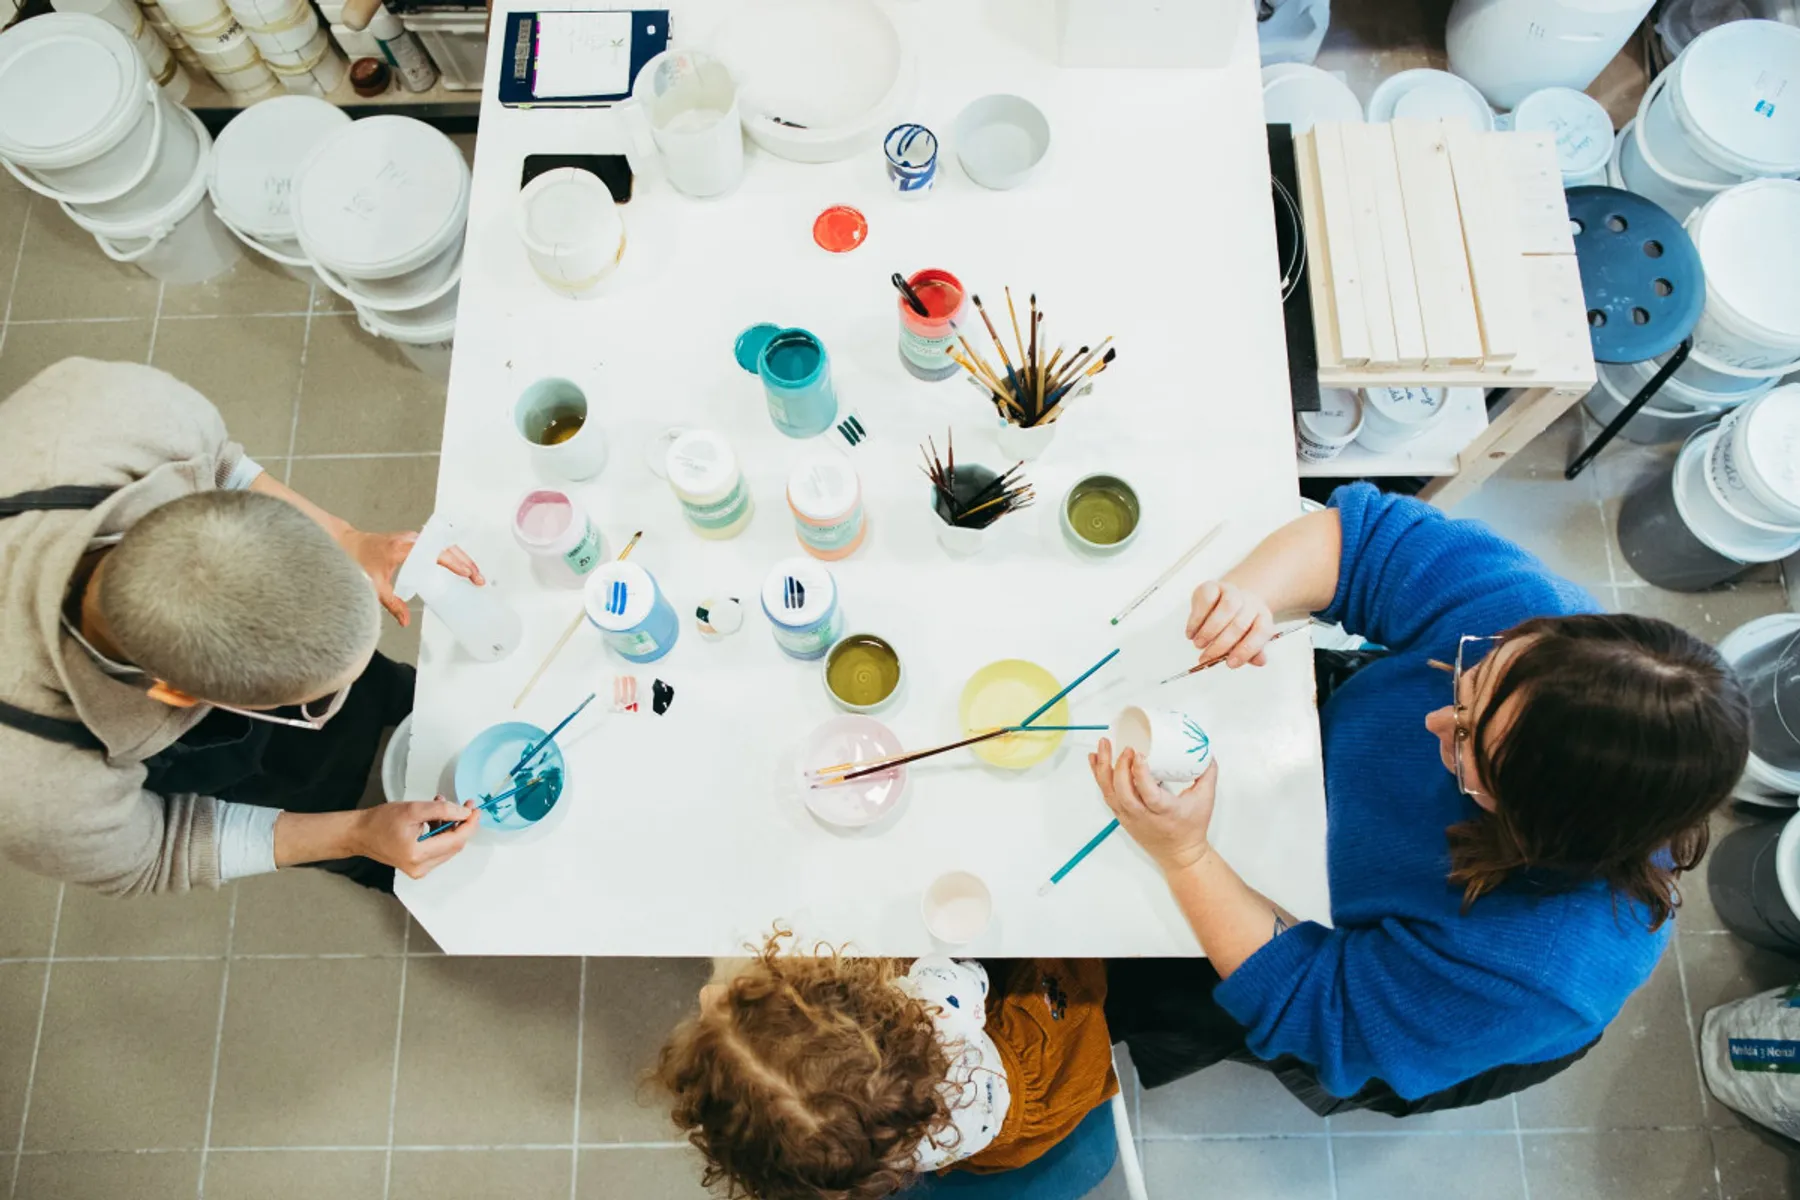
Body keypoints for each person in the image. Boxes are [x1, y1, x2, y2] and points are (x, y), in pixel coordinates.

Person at [1096, 482, 1750, 1117]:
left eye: (1469, 748)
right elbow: (1364, 545)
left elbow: (1323, 1009)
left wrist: (1185, 857)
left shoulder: (1538, 970)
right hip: (1320, 799)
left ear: (1537, 827)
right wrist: (1249, 598)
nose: (1436, 719)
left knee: (1162, 987)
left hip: (1426, 1012)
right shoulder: (1543, 634)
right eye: (1469, 680)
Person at [0, 358, 485, 896]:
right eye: (315, 701)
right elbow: (156, 853)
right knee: (313, 793)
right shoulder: (37, 790)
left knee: (387, 692)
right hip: (218, 766)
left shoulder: (117, 413)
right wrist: (358, 836)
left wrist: (347, 539)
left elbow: (220, 465)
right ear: (176, 695)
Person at [656, 932, 1116, 1199]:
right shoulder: (936, 1008)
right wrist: (737, 1017)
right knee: (1060, 944)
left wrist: (728, 1034)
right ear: (859, 997)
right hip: (1041, 1065)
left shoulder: (847, 1151)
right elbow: (966, 973)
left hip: (966, 1141)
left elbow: (787, 1088)